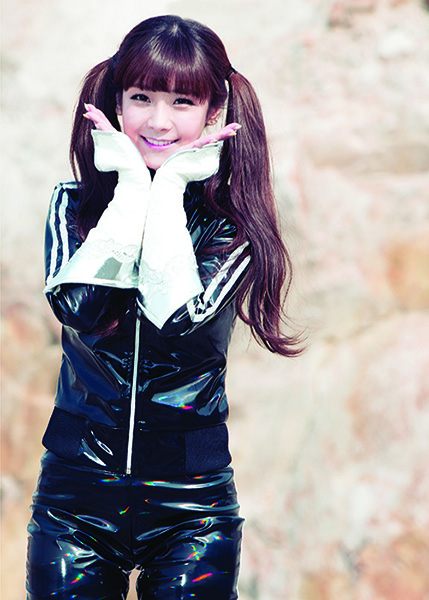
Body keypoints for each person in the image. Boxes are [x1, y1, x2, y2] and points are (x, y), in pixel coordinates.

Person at [26, 14, 301, 600]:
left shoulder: (233, 228)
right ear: (116, 103)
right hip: (74, 499)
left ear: (213, 112)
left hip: (192, 510)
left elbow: (176, 317)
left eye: (182, 102)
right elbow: (80, 307)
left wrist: (169, 189)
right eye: (141, 98)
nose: (158, 120)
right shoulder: (75, 208)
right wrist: (131, 190)